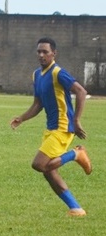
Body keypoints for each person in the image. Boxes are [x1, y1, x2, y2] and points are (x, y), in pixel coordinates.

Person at [10, 37, 92, 217]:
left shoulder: (58, 73)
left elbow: (81, 91)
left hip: (63, 128)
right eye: (39, 51)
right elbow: (38, 104)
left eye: (45, 52)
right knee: (49, 171)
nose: (41, 55)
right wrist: (22, 118)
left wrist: (76, 120)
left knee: (39, 165)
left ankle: (76, 154)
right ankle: (76, 208)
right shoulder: (37, 75)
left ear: (53, 53)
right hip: (50, 129)